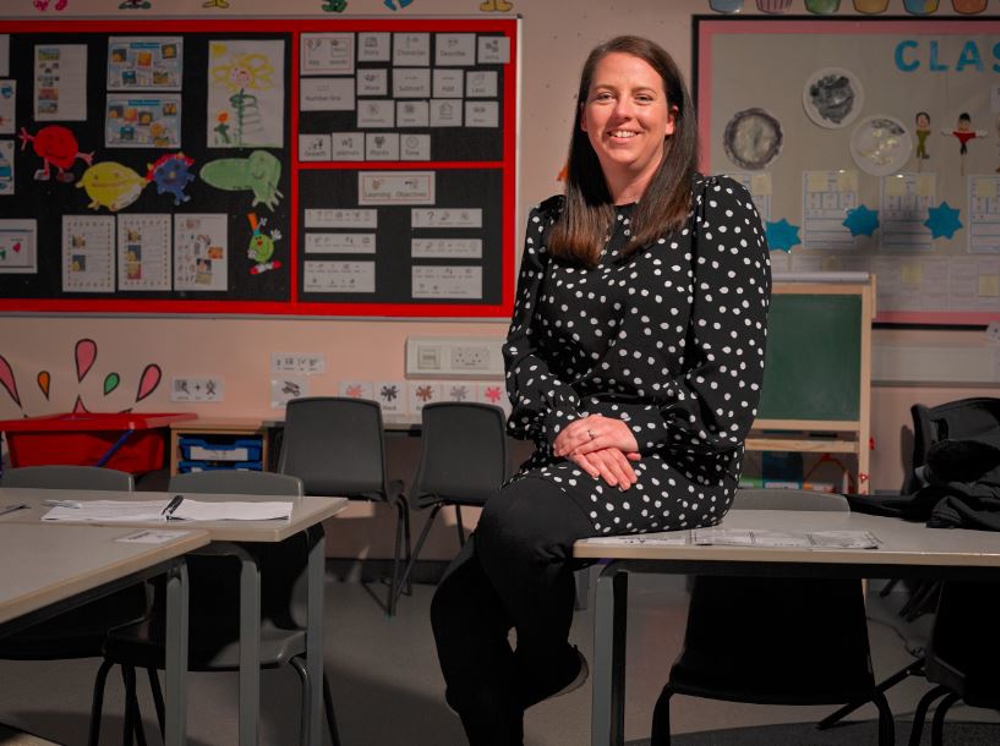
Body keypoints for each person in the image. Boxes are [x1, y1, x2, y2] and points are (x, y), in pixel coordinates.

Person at [430, 35, 771, 746]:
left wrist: (634, 432)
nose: (623, 112)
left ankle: (548, 662)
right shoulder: (551, 222)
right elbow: (523, 351)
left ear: (672, 117)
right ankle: (520, 703)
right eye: (605, 96)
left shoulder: (719, 210)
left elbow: (730, 380)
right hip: (572, 452)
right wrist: (568, 427)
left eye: (643, 97)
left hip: (679, 456)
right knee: (456, 611)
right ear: (584, 116)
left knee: (513, 525)